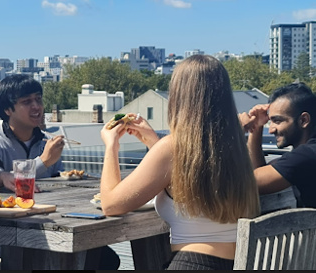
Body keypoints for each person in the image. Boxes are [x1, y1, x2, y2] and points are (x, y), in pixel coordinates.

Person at [99, 55, 260, 270]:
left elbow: (111, 204)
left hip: (192, 264)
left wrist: (111, 146)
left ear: (179, 96)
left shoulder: (171, 147)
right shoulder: (236, 147)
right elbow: (189, 172)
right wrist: (152, 141)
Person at [0, 74, 120, 270]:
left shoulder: (45, 140)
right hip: (8, 234)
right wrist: (44, 161)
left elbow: (56, 183)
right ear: (8, 110)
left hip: (54, 224)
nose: (37, 106)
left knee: (105, 259)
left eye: (38, 99)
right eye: (27, 101)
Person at [238, 82, 316, 208]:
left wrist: (236, 131)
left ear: (304, 120)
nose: (271, 130)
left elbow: (245, 185)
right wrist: (257, 127)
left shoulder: (306, 156)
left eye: (278, 121)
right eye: (270, 122)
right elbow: (259, 173)